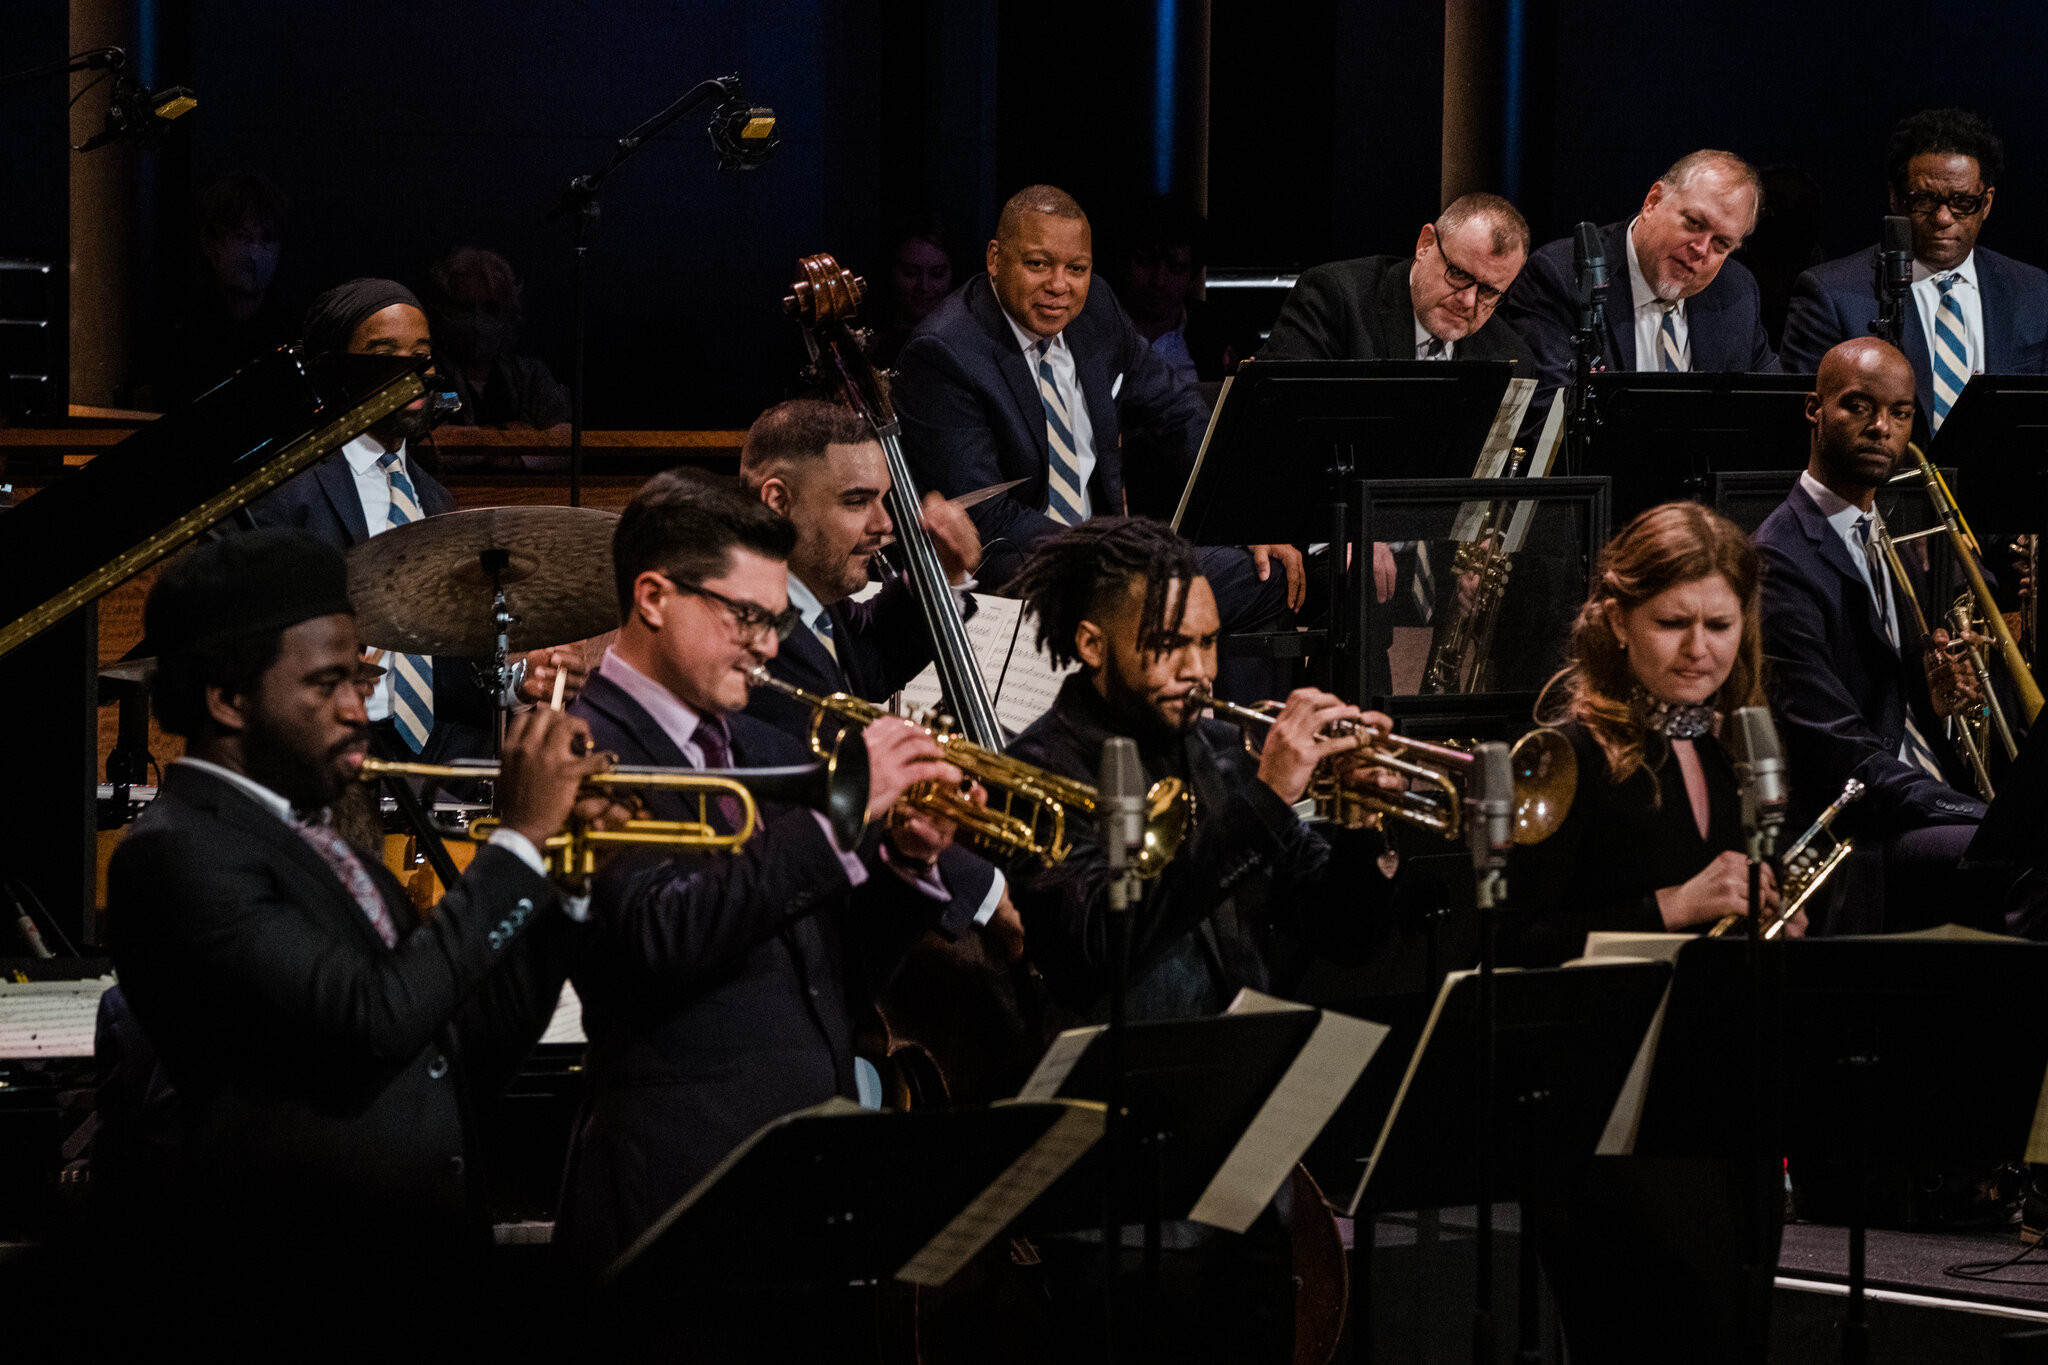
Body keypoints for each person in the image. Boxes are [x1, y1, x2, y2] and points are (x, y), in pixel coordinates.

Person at [103, 530, 606, 1343]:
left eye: (360, 679)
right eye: (327, 683)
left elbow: (460, 1047)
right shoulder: (177, 851)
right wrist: (516, 842)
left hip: (422, 1288)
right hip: (303, 1302)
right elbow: (373, 1019)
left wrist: (566, 881)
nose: (357, 709)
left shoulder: (324, 841)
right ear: (228, 699)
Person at [552, 469, 970, 1301]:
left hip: (802, 1198)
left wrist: (906, 863)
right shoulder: (578, 749)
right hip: (677, 1206)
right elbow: (658, 938)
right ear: (653, 597)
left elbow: (830, 981)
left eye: (777, 623)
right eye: (746, 617)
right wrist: (837, 821)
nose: (769, 647)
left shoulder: (756, 743)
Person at [1000, 515, 1400, 1363]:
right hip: (1112, 1201)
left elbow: (1343, 932)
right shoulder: (1039, 767)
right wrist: (1266, 800)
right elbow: (1097, 945)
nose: (1201, 670)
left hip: (1247, 1175)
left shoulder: (1218, 751)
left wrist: (1364, 822)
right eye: (1170, 645)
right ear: (1092, 644)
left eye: (1211, 643)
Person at [892, 183, 1300, 702]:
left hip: (1105, 551)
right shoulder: (944, 352)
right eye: (1038, 265)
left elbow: (1177, 411)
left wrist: (1244, 512)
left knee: (1266, 570)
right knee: (1249, 581)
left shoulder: (1097, 308)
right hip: (1021, 564)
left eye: (1076, 268)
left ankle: (1218, 743)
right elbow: (987, 520)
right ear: (995, 259)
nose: (1059, 286)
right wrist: (1117, 552)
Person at [239, 278, 585, 761]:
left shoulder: (434, 499)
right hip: (326, 750)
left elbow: (445, 676)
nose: (411, 370)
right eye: (384, 353)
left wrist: (519, 682)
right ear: (335, 368)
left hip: (434, 753)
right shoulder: (285, 493)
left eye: (422, 354)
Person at [737, 396, 1024, 958]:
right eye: (856, 501)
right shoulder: (747, 629)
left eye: (883, 499)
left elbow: (864, 658)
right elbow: (835, 800)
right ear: (777, 502)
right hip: (810, 921)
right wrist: (986, 890)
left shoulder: (811, 601)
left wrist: (940, 575)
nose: (885, 524)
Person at [1754, 337, 1987, 929]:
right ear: (1815, 410)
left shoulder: (1884, 536)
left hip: (1916, 799)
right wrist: (1971, 811)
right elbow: (1835, 748)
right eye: (1859, 406)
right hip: (1860, 833)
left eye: (1900, 413)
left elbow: (1889, 705)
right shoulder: (1779, 557)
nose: (1882, 427)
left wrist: (1932, 697)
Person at [1509, 501, 1800, 968]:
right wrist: (1673, 906)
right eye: (1672, 623)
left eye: (1720, 625)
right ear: (1618, 621)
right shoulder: (1567, 756)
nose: (1698, 649)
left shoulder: (1739, 748)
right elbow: (1513, 944)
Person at [1779, 110, 2048, 437]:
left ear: (1987, 203)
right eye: (1924, 200)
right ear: (1895, 198)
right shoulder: (1830, 295)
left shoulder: (2035, 291)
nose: (1943, 218)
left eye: (1963, 202)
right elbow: (1801, 430)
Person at [1499, 150, 1777, 412]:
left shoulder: (1737, 292)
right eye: (1694, 223)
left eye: (1721, 243)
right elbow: (1547, 416)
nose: (1701, 249)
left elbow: (1771, 409)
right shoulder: (1562, 276)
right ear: (1653, 201)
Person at [1258, 191, 1535, 368]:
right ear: (1425, 244)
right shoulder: (1335, 299)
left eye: (1488, 291)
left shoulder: (1511, 358)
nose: (1468, 300)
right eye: (1459, 273)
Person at [155, 172, 298, 406]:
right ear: (210, 245)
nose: (255, 255)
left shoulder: (295, 334)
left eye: (267, 239)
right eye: (242, 237)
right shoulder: (181, 339)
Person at [420, 245, 573, 437]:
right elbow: (426, 440)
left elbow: (564, 438)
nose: (477, 319)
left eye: (490, 308)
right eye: (464, 307)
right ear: (442, 311)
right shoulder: (426, 376)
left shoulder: (530, 378)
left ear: (508, 312)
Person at [1110, 194, 1231, 387]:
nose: (1159, 281)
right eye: (1146, 262)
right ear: (1123, 264)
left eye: (1175, 269)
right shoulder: (1090, 331)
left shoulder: (1217, 333)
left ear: (1193, 277)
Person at [868, 213, 957, 369]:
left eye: (937, 274)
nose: (924, 286)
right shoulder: (869, 345)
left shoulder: (967, 340)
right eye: (910, 273)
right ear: (890, 271)